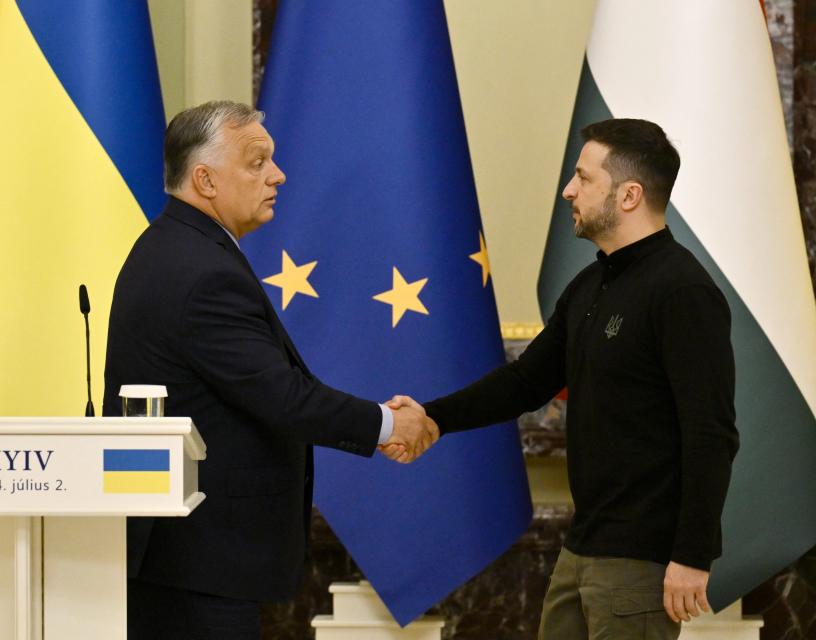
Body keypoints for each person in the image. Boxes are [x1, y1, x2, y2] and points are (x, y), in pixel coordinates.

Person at [389, 118, 739, 639]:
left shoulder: (682, 290)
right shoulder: (590, 283)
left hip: (640, 562)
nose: (568, 190)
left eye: (583, 178)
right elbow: (525, 383)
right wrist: (433, 417)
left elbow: (711, 434)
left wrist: (693, 555)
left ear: (629, 195)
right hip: (581, 549)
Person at [103, 100, 437, 640]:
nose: (277, 175)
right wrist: (387, 425)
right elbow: (281, 397)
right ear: (205, 180)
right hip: (199, 563)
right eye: (257, 162)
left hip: (186, 558)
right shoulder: (200, 271)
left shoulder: (178, 248)